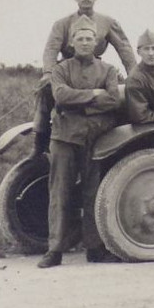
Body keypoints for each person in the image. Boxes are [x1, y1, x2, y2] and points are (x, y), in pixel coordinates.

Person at [37, 21, 125, 268]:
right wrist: (93, 96)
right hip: (64, 137)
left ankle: (95, 248)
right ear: (72, 42)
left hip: (96, 139)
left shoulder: (108, 70)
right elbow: (60, 95)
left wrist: (79, 104)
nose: (85, 42)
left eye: (90, 38)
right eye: (80, 38)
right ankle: (54, 250)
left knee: (93, 192)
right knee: (60, 192)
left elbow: (113, 100)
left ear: (97, 43)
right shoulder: (60, 69)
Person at [32, 0, 136, 158]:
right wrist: (48, 72)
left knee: (121, 95)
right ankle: (41, 139)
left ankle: (120, 137)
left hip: (96, 69)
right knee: (46, 89)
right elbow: (51, 49)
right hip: (68, 69)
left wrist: (134, 75)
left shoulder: (108, 22)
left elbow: (124, 48)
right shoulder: (62, 24)